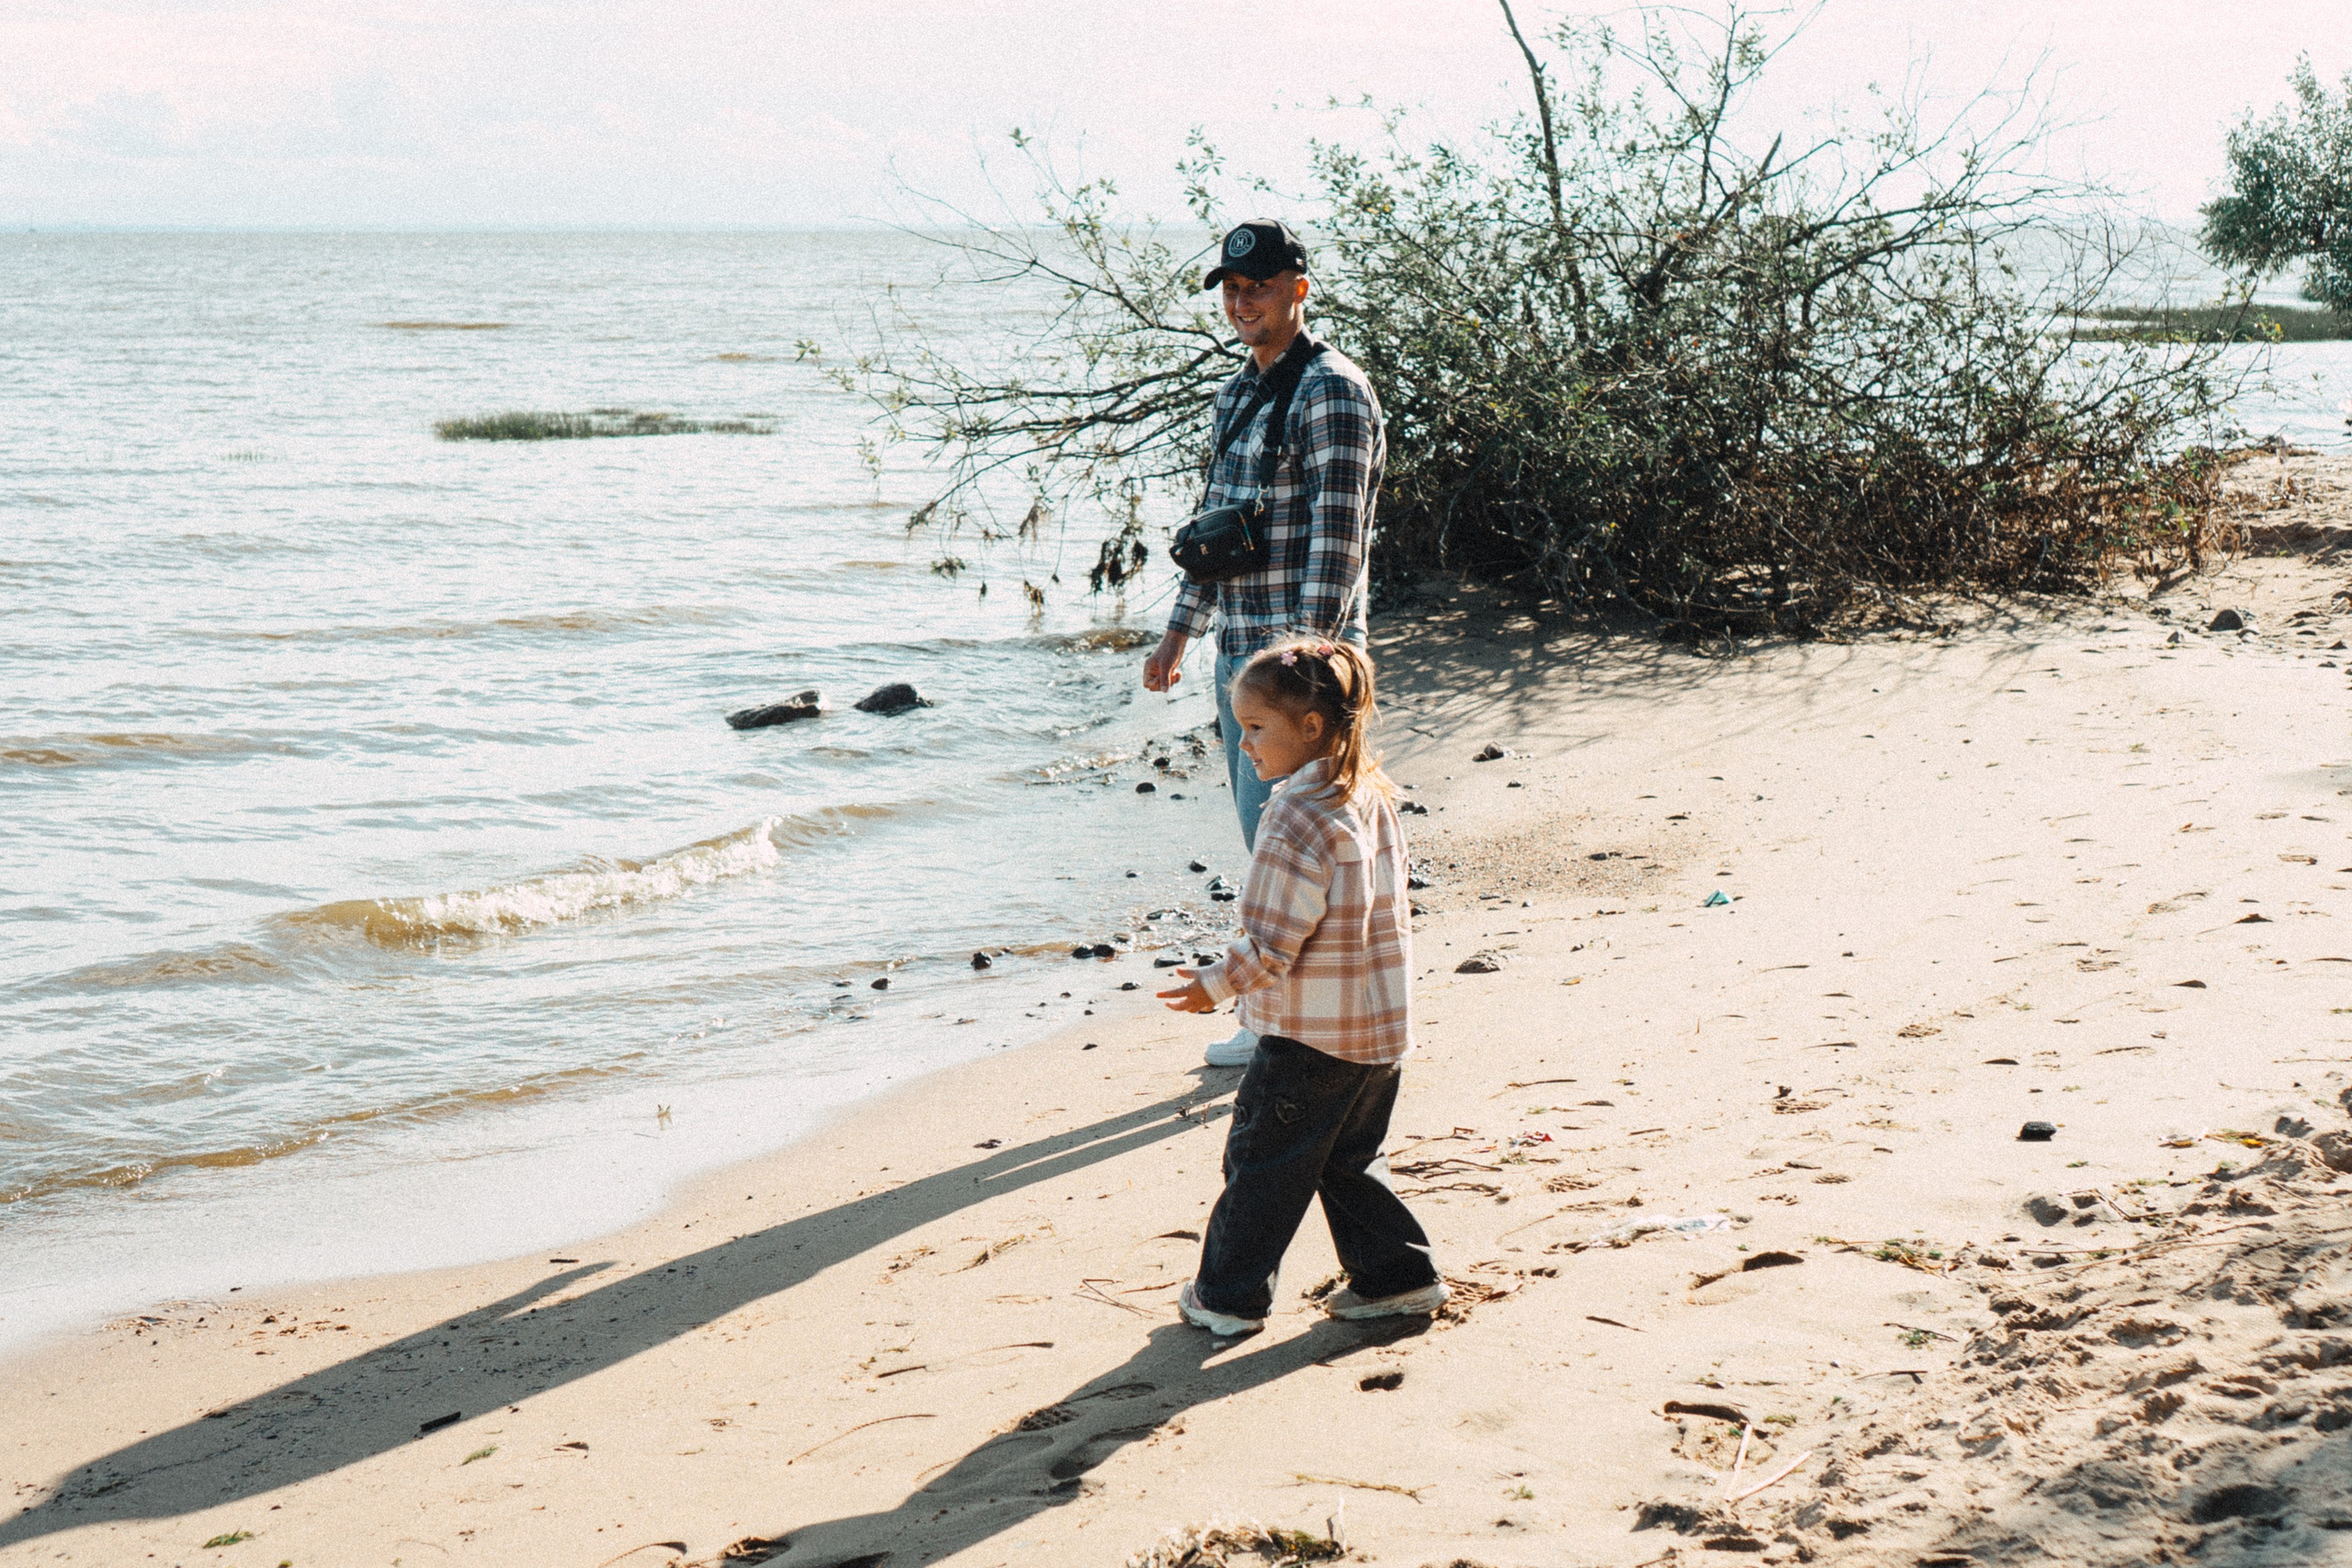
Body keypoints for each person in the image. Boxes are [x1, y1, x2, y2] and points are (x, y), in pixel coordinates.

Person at [1143, 218, 1387, 1070]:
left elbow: (1340, 539)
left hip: (1301, 672)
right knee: (1268, 845)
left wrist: (1310, 669)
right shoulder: (1236, 394)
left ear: (1299, 289)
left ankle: (1277, 1022)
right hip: (1240, 662)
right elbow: (1216, 530)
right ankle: (1284, 1012)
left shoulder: (1334, 391)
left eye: (1260, 286)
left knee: (1304, 847)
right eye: (1233, 290)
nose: (1243, 302)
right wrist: (1179, 633)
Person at [1156, 637, 1444, 1336]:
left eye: (1256, 727)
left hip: (1310, 1037)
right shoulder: (1370, 795)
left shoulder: (1293, 816)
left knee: (1260, 1163)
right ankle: (1398, 1276)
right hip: (1377, 1033)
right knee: (1347, 1162)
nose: (1243, 742)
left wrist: (1215, 985)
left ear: (1310, 726)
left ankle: (1226, 1297)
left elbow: (1272, 942)